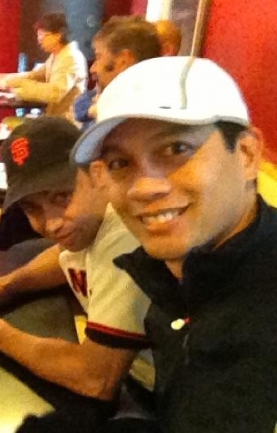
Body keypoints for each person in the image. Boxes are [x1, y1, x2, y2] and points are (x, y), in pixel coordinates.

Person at [71, 56, 277, 432]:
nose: (143, 187)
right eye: (120, 163)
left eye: (176, 148)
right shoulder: (172, 268)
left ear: (247, 155)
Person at [0, 117, 154, 425]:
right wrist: (4, 285)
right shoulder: (93, 224)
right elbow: (63, 255)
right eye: (32, 208)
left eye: (62, 197)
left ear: (97, 173)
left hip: (154, 399)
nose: (51, 223)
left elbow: (96, 379)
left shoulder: (123, 239)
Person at [0, 13, 88, 122]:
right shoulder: (57, 55)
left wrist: (18, 85)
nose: (39, 40)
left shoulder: (70, 57)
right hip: (54, 118)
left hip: (65, 122)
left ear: (58, 35)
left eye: (42, 35)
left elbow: (55, 93)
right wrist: (9, 78)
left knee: (13, 125)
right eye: (38, 35)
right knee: (8, 122)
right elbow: (36, 75)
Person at [74, 16, 161, 127]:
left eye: (99, 56)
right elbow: (81, 103)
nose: (92, 69)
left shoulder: (127, 125)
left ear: (124, 60)